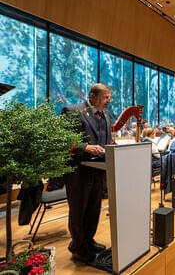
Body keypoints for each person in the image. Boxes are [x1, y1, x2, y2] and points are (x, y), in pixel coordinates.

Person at [62, 83, 112, 263]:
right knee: (78, 211)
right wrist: (85, 147)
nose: (109, 101)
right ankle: (79, 248)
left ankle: (89, 241)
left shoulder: (106, 115)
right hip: (78, 173)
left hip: (98, 172)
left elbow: (107, 140)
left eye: (109, 97)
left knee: (94, 209)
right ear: (93, 96)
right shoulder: (72, 111)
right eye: (106, 97)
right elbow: (63, 140)